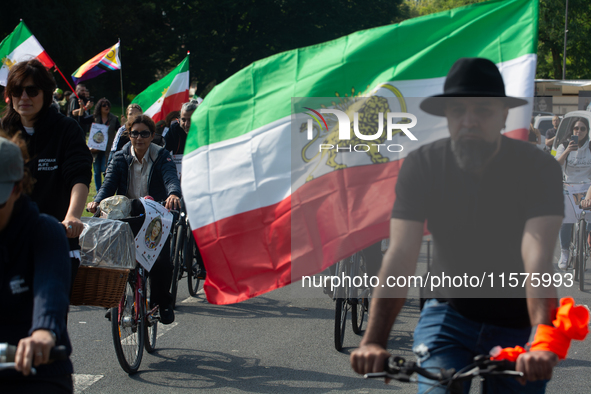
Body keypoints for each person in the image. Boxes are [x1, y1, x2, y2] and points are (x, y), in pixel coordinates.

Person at [350, 58, 564, 393]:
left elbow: (536, 256)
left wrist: (541, 337)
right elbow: (401, 255)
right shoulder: (423, 165)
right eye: (458, 110)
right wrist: (373, 341)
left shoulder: (539, 169)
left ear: (504, 115)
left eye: (483, 110)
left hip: (518, 320)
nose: (469, 121)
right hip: (449, 314)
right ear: (446, 116)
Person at [0, 59, 92, 296]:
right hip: (10, 241)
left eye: (32, 91)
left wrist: (72, 216)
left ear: (47, 94)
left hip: (56, 240)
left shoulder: (67, 129)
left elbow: (78, 177)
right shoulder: (4, 131)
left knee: (46, 309)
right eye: (17, 91)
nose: (24, 97)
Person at [87, 115, 181, 324]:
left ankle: (162, 302)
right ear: (129, 135)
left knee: (161, 262)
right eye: (135, 133)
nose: (139, 138)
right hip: (127, 215)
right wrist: (97, 201)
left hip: (155, 216)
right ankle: (115, 299)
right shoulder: (120, 157)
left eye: (145, 133)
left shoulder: (161, 156)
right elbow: (108, 184)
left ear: (152, 135)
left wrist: (173, 194)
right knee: (114, 258)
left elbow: (170, 178)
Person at [0, 137, 74, 393]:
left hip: (38, 372)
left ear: (18, 188)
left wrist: (44, 332)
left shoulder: (44, 231)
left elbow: (50, 288)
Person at [554, 117, 591, 268]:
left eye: (583, 128)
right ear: (572, 130)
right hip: (569, 187)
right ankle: (564, 252)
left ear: (587, 131)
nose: (579, 131)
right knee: (566, 219)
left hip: (588, 187)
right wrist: (568, 150)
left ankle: (587, 237)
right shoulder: (563, 144)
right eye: (576, 128)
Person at [73, 97, 120, 191]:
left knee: (105, 169)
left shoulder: (114, 119)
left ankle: (105, 189)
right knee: (96, 170)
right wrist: (82, 107)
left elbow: (119, 132)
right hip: (95, 148)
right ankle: (99, 191)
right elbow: (82, 120)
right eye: (104, 105)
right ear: (100, 107)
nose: (106, 107)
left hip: (108, 149)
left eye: (108, 105)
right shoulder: (94, 117)